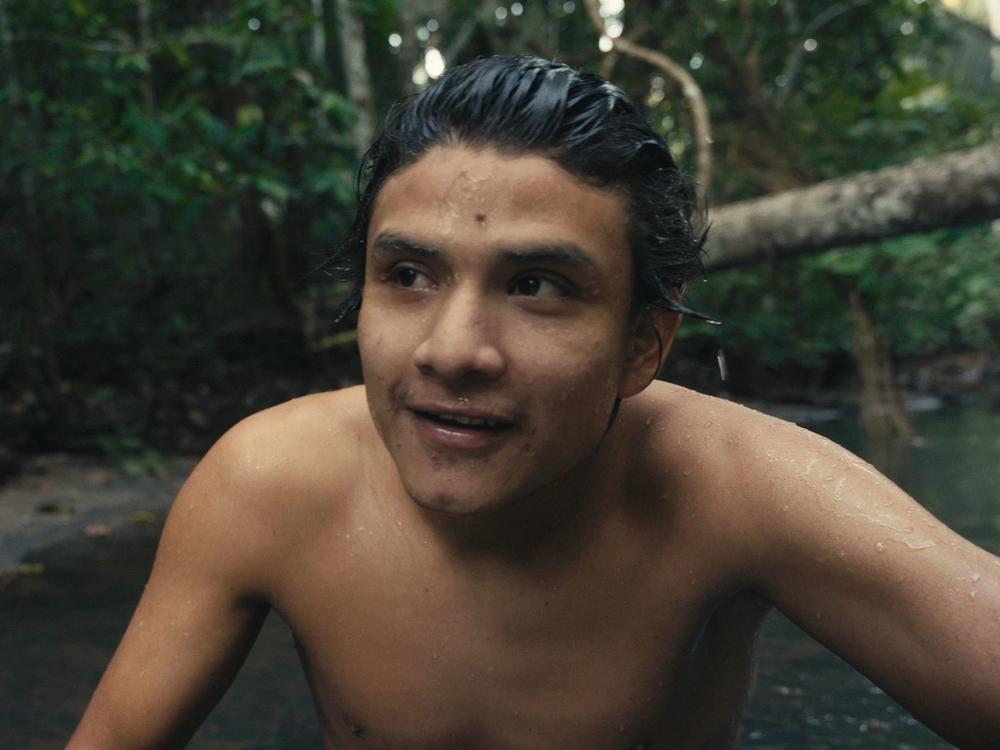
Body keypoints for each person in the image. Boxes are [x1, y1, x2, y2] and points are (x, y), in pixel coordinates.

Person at [69, 55, 1000, 750]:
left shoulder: (739, 489)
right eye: (408, 275)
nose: (452, 352)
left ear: (645, 346)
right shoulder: (264, 486)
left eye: (538, 287)